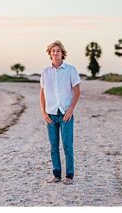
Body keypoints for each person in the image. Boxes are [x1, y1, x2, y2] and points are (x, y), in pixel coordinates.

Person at [39, 40, 81, 185]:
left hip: (66, 114)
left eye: (58, 50)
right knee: (53, 146)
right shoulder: (45, 72)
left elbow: (77, 91)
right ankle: (56, 174)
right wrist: (44, 113)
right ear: (50, 54)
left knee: (67, 145)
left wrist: (70, 110)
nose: (55, 53)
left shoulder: (70, 69)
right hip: (51, 114)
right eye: (53, 51)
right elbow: (42, 93)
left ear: (63, 53)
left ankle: (69, 175)